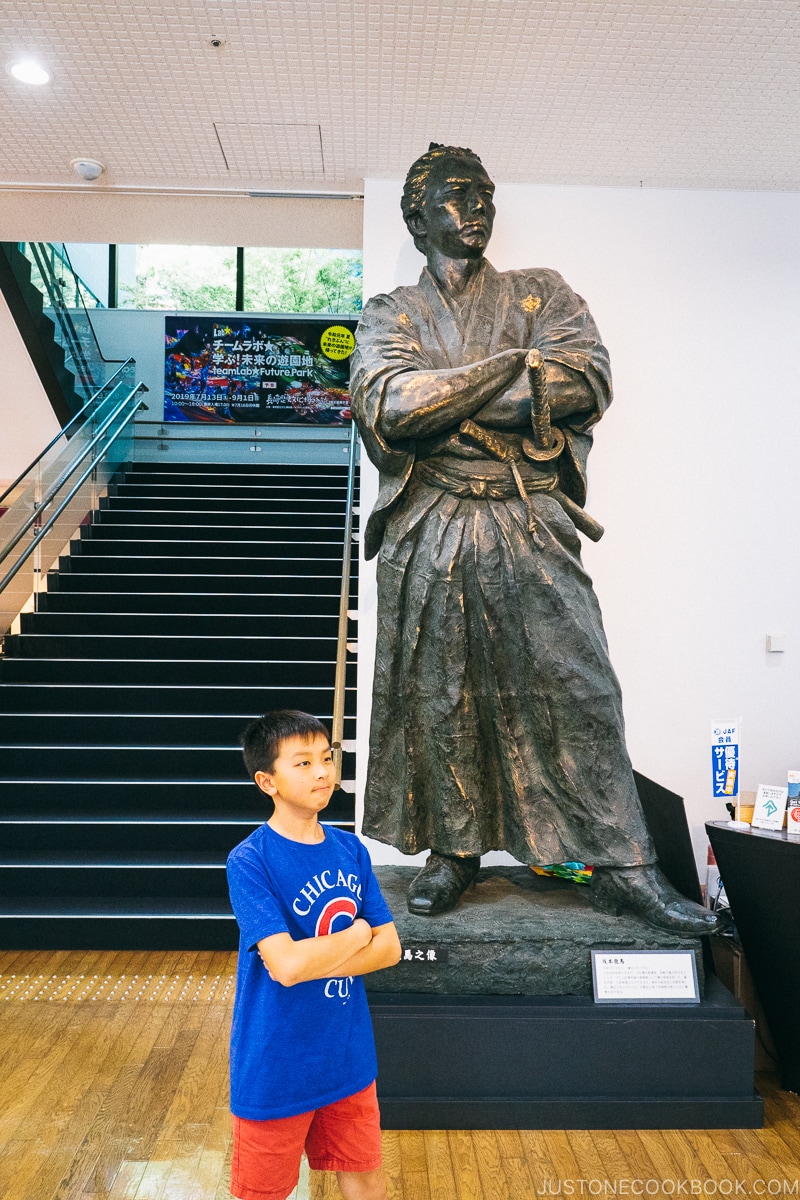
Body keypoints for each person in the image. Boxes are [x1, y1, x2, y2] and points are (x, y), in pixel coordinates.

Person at [351, 142, 718, 935]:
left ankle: (625, 865)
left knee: (581, 685)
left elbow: (585, 380)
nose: (476, 205)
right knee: (440, 692)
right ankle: (455, 852)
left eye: (483, 192)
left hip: (525, 517)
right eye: (455, 194)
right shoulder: (390, 312)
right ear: (417, 216)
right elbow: (395, 407)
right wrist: (510, 370)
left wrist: (459, 403)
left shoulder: (540, 294)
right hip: (432, 528)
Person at [227, 709, 402, 1200]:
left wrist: (312, 960)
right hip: (275, 1061)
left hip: (347, 1055)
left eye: (327, 758)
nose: (324, 772)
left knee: (365, 1173)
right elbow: (284, 967)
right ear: (268, 781)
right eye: (302, 764)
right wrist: (357, 932)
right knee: (263, 1190)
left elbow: (390, 949)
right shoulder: (250, 860)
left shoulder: (351, 851)